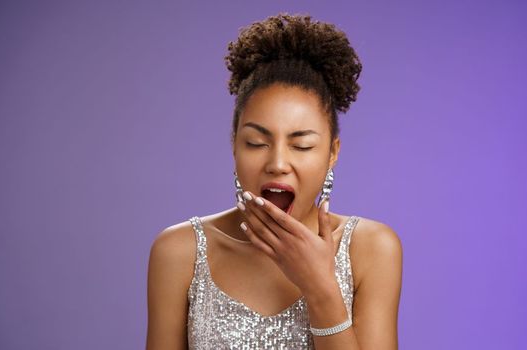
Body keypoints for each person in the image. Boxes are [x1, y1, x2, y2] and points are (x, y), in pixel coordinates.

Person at [146, 13, 403, 349]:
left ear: (332, 153)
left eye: (302, 145)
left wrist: (321, 289)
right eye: (256, 143)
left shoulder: (370, 250)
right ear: (234, 144)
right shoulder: (179, 252)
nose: (278, 164)